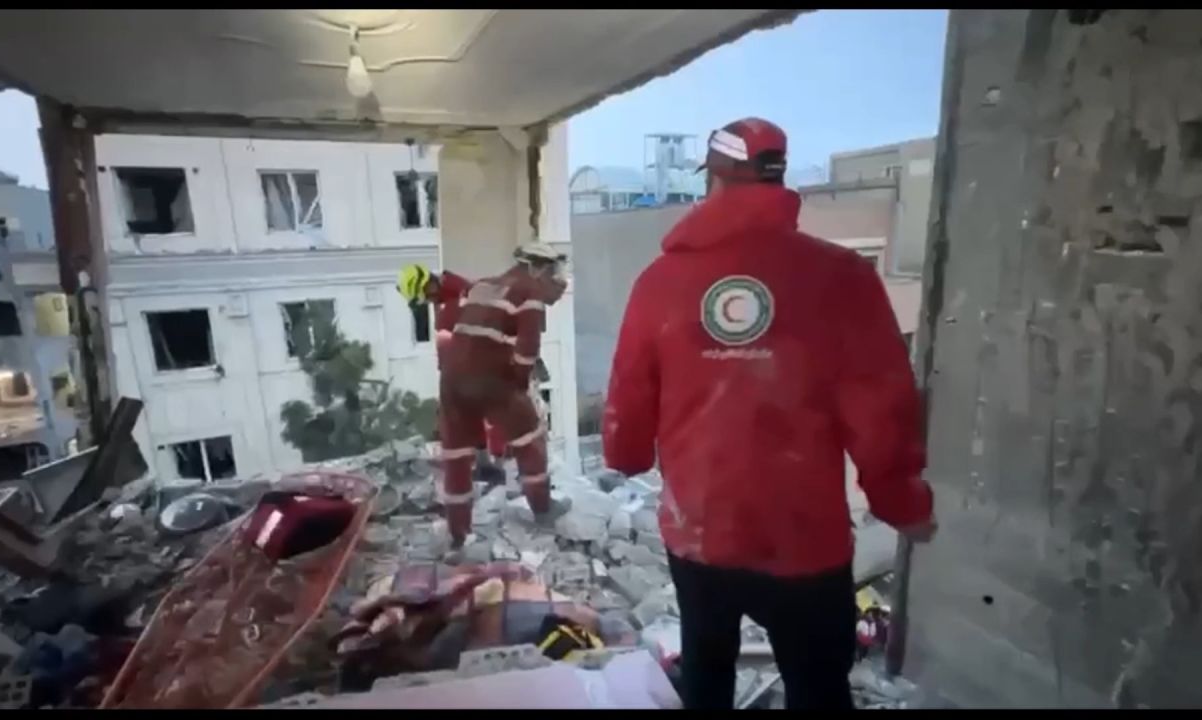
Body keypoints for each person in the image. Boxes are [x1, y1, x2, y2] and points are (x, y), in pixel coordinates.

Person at [602, 118, 938, 710]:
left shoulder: (660, 282)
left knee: (707, 670)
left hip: (700, 530)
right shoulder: (841, 276)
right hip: (804, 538)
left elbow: (630, 390)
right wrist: (901, 502)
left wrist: (625, 455)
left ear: (715, 180)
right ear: (778, 178)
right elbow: (880, 405)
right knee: (817, 688)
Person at [435, 242, 571, 550]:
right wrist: (518, 389)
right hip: (490, 379)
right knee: (530, 440)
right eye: (554, 273)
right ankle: (542, 509)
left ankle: (458, 533)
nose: (559, 282)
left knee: (457, 456)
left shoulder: (483, 285)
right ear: (538, 268)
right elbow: (527, 352)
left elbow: (455, 326)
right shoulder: (530, 293)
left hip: (452, 381)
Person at [396, 264, 507, 480]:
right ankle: (486, 464)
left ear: (429, 284)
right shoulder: (448, 297)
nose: (427, 301)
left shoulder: (458, 300)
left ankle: (497, 466)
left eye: (425, 296)